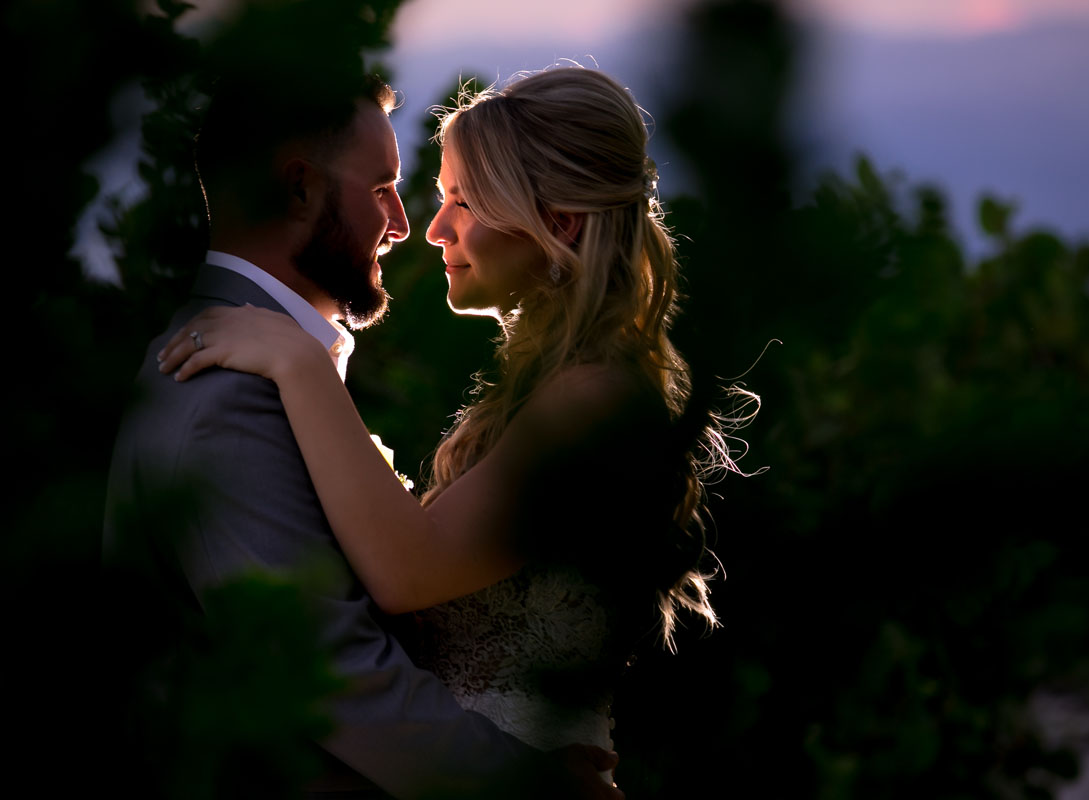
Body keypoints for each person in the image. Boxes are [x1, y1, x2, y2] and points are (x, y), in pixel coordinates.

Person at [157, 65, 741, 781]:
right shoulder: (556, 387)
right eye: (439, 198)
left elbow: (407, 571)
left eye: (462, 202)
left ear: (555, 223)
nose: (431, 230)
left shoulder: (594, 399)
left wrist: (299, 362)